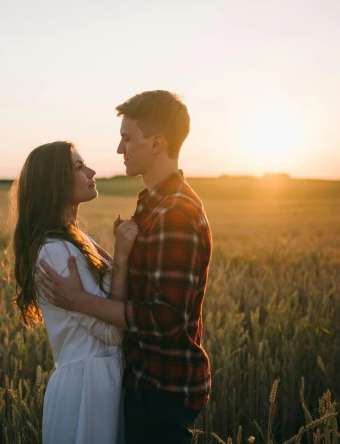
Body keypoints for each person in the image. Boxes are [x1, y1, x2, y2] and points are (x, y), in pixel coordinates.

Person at [36, 90, 212, 444]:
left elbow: (167, 318)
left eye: (127, 138)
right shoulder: (152, 206)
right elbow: (144, 289)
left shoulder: (175, 213)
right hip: (143, 380)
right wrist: (120, 258)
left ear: (157, 144)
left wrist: (81, 301)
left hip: (162, 387)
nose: (119, 150)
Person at [8, 140, 139, 444]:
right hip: (86, 390)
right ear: (54, 183)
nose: (92, 171)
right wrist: (120, 256)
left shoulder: (76, 239)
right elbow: (112, 332)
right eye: (79, 167)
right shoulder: (55, 252)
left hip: (100, 380)